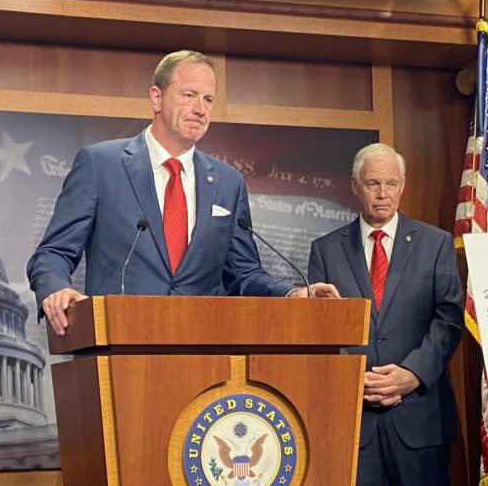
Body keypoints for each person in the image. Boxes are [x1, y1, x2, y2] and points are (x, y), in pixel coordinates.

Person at [27, 49, 337, 330]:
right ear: (157, 98)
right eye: (189, 95)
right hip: (119, 346)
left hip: (202, 352)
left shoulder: (228, 183)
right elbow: (53, 252)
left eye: (208, 99)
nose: (201, 109)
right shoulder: (101, 165)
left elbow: (244, 274)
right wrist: (55, 289)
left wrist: (294, 293)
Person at [307, 143, 466, 486]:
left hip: (418, 416)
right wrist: (356, 380)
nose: (383, 194)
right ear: (355, 187)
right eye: (372, 184)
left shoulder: (437, 243)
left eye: (391, 183)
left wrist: (411, 375)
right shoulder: (326, 249)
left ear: (404, 184)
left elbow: (448, 321)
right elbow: (319, 334)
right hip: (354, 418)